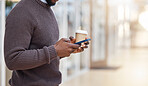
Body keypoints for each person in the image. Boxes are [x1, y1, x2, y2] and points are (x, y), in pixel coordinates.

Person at [4, 0, 89, 86]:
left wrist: (64, 50)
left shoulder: (47, 10)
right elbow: (13, 59)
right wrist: (54, 51)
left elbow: (44, 52)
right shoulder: (22, 11)